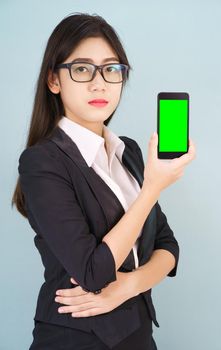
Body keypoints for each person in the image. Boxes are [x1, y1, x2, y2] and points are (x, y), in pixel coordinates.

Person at [12, 12, 196, 350]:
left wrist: (128, 286)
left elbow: (168, 248)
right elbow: (93, 274)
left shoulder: (130, 153)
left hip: (138, 334)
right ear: (54, 80)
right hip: (76, 338)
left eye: (111, 69)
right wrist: (153, 187)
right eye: (82, 69)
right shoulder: (42, 162)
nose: (100, 83)